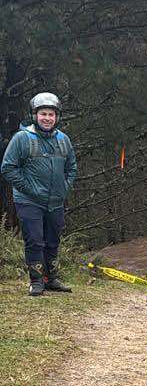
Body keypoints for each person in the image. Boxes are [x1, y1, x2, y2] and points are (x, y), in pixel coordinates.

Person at [1, 91, 77, 297]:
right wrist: (29, 188)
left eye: (51, 114)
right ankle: (36, 281)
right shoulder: (22, 138)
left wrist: (64, 187)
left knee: (53, 240)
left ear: (57, 117)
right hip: (29, 201)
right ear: (35, 115)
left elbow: (72, 167)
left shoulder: (63, 140)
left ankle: (51, 279)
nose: (47, 118)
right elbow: (8, 168)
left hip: (55, 201)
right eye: (43, 114)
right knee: (35, 240)